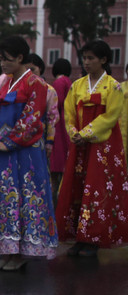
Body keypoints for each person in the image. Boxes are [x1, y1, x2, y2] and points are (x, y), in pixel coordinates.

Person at [0, 36, 57, 271]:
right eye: (0, 59)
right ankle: (7, 251)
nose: (2, 63)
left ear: (20, 58)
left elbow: (31, 119)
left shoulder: (36, 84)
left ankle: (21, 253)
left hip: (25, 154)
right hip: (3, 152)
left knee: (24, 199)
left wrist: (8, 143)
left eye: (6, 59)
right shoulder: (5, 84)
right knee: (5, 201)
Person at [55, 40, 128, 256]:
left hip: (102, 146)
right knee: (77, 186)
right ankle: (78, 236)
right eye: (84, 58)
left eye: (91, 58)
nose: (86, 62)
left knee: (97, 188)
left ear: (103, 60)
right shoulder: (77, 85)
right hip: (80, 146)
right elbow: (68, 113)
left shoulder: (113, 86)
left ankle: (94, 239)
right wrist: (73, 133)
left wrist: (86, 133)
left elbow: (111, 116)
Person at [49, 58, 73, 196]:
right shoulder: (69, 82)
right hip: (66, 118)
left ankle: (55, 193)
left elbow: (55, 103)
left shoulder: (58, 82)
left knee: (57, 153)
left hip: (58, 121)